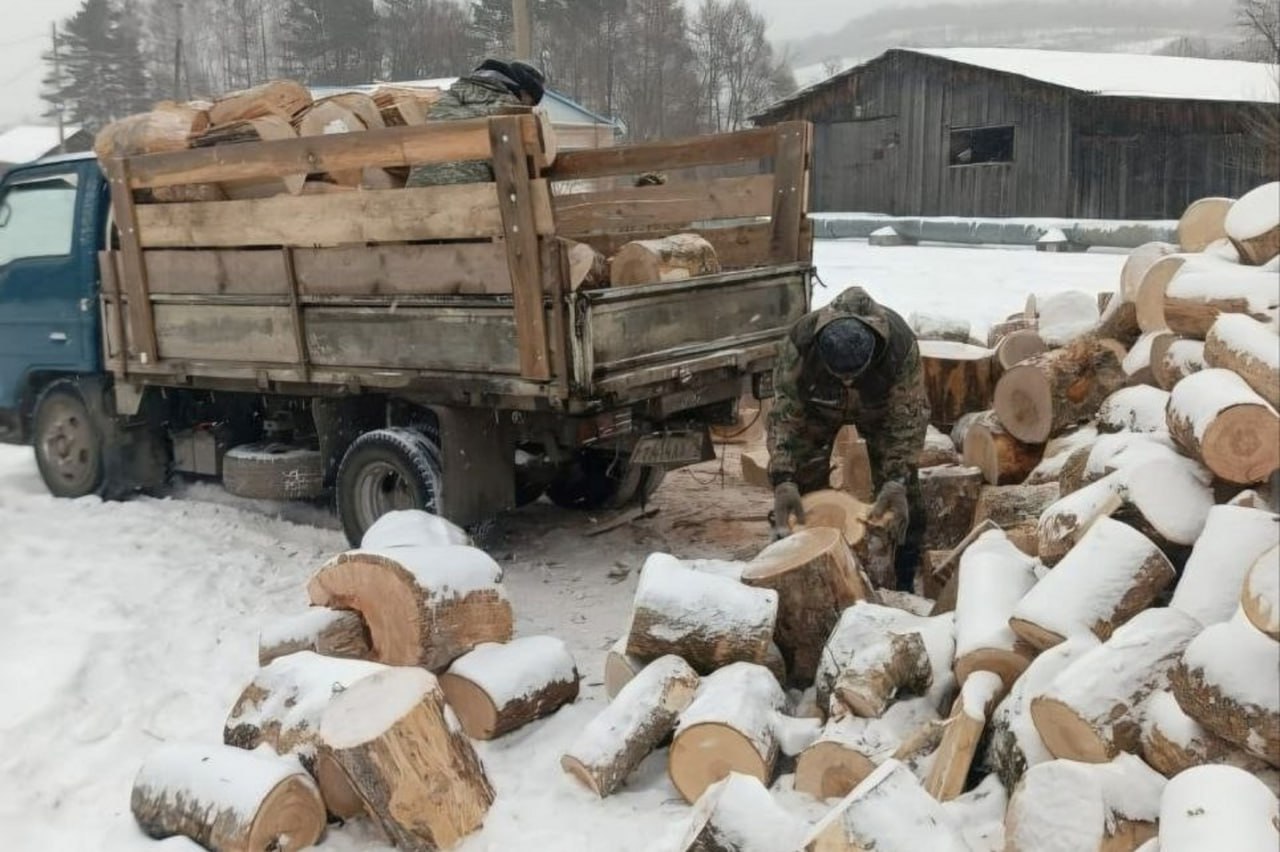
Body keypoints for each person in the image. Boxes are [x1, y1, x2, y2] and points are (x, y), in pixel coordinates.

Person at [767, 286, 930, 591]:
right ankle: (804, 570)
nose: (847, 382)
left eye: (853, 375)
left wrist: (897, 477)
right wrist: (783, 477)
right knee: (804, 496)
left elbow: (908, 419)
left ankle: (903, 578)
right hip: (818, 407)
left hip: (879, 408)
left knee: (903, 499)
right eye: (840, 376)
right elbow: (785, 416)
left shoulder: (899, 347)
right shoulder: (800, 344)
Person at [406, 58, 546, 187]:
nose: (529, 107)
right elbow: (513, 167)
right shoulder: (509, 106)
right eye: (531, 102)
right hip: (470, 191)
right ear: (523, 92)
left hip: (416, 188)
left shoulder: (445, 97)